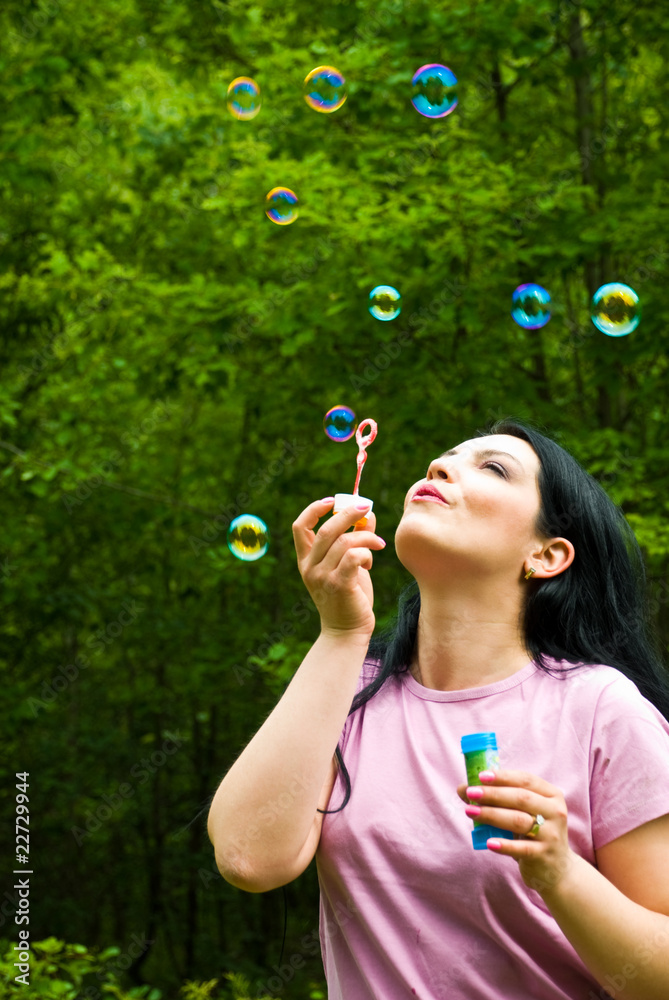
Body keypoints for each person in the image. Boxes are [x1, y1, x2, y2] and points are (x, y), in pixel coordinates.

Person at [207, 419, 669, 1000]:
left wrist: (561, 874)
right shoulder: (353, 690)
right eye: (443, 457)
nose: (438, 467)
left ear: (547, 555)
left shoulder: (600, 707)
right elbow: (248, 857)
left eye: (493, 468)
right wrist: (341, 631)